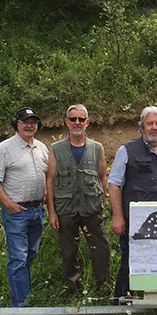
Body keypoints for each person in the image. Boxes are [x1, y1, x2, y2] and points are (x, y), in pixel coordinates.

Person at [108, 106, 157, 301]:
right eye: (149, 123)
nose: (154, 128)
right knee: (131, 261)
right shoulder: (127, 150)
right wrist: (118, 217)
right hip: (138, 223)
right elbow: (114, 184)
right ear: (141, 127)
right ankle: (121, 304)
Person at [0, 107, 48, 307]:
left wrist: (46, 192)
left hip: (37, 210)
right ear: (17, 124)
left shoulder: (42, 148)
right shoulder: (4, 148)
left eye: (33, 122)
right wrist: (9, 204)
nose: (30, 125)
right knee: (18, 258)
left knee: (30, 255)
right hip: (17, 212)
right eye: (25, 122)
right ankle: (19, 306)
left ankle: (24, 296)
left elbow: (48, 175)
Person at [46, 104, 110, 298]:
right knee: (69, 252)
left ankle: (103, 288)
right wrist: (52, 213)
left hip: (91, 208)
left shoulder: (97, 148)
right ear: (66, 122)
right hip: (66, 209)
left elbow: (102, 177)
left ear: (87, 122)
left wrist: (101, 202)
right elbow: (50, 181)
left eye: (81, 119)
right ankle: (73, 291)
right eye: (73, 119)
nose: (77, 123)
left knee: (101, 249)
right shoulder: (56, 149)